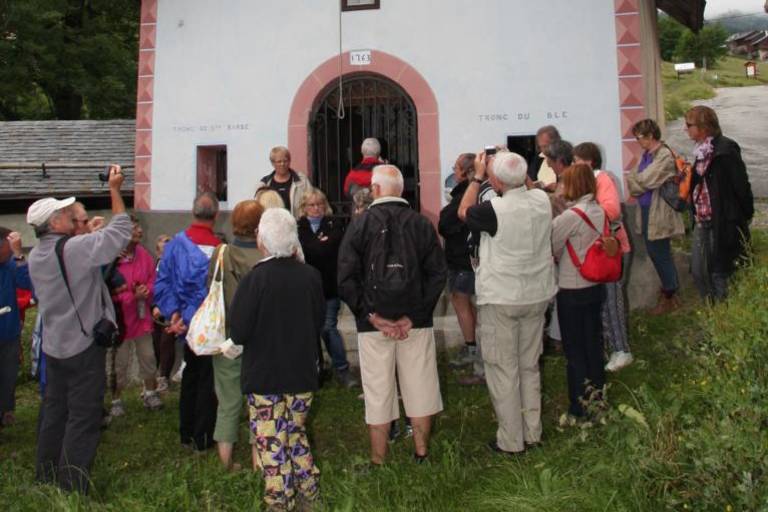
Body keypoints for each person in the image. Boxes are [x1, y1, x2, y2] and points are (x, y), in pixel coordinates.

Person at [30, 166, 132, 494]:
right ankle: (71, 488)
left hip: (54, 345)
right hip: (83, 347)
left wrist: (85, 231)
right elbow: (120, 232)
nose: (72, 218)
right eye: (66, 214)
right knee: (83, 417)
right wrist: (115, 190)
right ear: (56, 223)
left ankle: (44, 475)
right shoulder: (72, 249)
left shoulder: (37, 256)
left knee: (54, 412)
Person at [338, 165, 447, 465]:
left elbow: (346, 277)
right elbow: (437, 274)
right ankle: (421, 454)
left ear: (374, 190)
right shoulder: (422, 224)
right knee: (421, 385)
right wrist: (415, 315)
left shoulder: (359, 226)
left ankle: (378, 460)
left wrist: (370, 315)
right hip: (416, 323)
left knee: (377, 390)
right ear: (402, 190)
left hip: (373, 324)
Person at [458, 152, 557, 454]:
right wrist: (512, 167)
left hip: (502, 296)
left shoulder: (492, 209)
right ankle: (533, 433)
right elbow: (526, 185)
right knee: (529, 366)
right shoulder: (542, 201)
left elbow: (463, 212)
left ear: (496, 180)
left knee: (503, 368)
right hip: (536, 293)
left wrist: (477, 177)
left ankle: (511, 441)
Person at [230, 208, 324, 511]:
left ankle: (279, 500)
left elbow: (240, 330)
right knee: (296, 432)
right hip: (300, 372)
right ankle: (309, 492)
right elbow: (318, 319)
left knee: (271, 440)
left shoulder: (254, 280)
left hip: (264, 375)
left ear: (262, 242)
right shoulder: (310, 277)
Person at [154, 192, 222, 451]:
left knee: (191, 374)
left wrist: (174, 313)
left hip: (184, 322)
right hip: (208, 324)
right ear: (216, 216)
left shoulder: (174, 245)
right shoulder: (218, 249)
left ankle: (186, 433)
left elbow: (163, 283)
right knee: (208, 379)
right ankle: (203, 436)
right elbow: (217, 292)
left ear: (192, 213)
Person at [206, 199, 265, 471]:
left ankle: (225, 462)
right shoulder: (266, 258)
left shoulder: (221, 252)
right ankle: (258, 461)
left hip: (227, 334)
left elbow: (211, 289)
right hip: (259, 338)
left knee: (227, 400)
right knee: (260, 401)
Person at [551, 164, 607, 423]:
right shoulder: (598, 210)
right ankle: (599, 397)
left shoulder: (571, 216)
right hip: (595, 285)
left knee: (574, 350)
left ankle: (580, 405)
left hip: (572, 286)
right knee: (593, 344)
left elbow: (551, 244)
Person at [573, 142, 633, 372]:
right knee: (604, 302)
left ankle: (622, 350)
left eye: (577, 161)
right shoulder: (589, 182)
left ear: (589, 161)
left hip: (612, 251)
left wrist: (584, 212)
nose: (574, 165)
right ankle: (611, 347)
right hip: (599, 252)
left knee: (612, 301)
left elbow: (613, 210)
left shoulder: (602, 180)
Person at [684, 106, 754, 302]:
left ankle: (720, 317)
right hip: (701, 219)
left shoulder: (726, 149)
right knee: (698, 271)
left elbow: (741, 185)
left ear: (703, 127)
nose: (685, 129)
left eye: (689, 125)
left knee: (719, 271)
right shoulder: (699, 151)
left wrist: (745, 215)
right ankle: (711, 307)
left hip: (721, 220)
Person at [297, 188, 358, 388]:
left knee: (328, 327)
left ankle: (342, 369)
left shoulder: (334, 224)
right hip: (306, 288)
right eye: (311, 205)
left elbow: (327, 249)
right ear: (304, 208)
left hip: (329, 286)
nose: (316, 208)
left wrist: (315, 246)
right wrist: (318, 245)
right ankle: (316, 370)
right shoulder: (298, 226)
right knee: (310, 330)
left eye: (320, 204)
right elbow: (309, 249)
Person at [625, 119, 685, 314]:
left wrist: (637, 182)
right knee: (656, 252)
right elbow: (632, 180)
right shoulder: (647, 155)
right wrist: (637, 182)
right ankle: (670, 293)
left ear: (650, 136)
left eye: (639, 138)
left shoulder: (664, 155)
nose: (638, 141)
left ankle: (670, 294)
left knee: (659, 252)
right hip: (646, 209)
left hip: (657, 211)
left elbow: (645, 180)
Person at [109, 215, 162, 417]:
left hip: (142, 319)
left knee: (148, 357)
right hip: (121, 321)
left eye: (139, 227)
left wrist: (148, 290)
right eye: (134, 228)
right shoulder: (112, 259)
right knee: (119, 363)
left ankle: (150, 392)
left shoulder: (143, 254)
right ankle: (115, 399)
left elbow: (153, 279)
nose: (139, 231)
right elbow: (107, 290)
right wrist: (132, 296)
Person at [439, 153, 482, 384]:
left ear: (465, 172)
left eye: (456, 167)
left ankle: (472, 347)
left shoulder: (468, 192)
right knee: (463, 301)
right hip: (460, 256)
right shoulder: (466, 190)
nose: (453, 171)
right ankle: (472, 345)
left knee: (461, 299)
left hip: (464, 258)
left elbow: (448, 222)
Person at [0, 228, 32, 430]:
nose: (10, 250)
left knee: (8, 375)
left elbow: (28, 282)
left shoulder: (11, 265)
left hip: (9, 333)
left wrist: (20, 256)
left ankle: (6, 410)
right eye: (8, 247)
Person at [255, 146, 312, 218]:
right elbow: (258, 208)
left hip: (296, 225)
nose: (282, 164)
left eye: (285, 161)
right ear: (272, 163)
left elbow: (310, 202)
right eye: (279, 161)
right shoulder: (264, 183)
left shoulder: (302, 181)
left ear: (290, 161)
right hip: (272, 226)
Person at [151, 234, 176, 393]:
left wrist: (164, 307)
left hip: (168, 311)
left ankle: (164, 378)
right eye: (163, 244)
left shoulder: (176, 268)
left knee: (166, 343)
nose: (167, 246)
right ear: (158, 251)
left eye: (169, 243)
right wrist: (153, 306)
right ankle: (153, 378)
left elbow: (175, 289)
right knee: (155, 344)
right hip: (153, 312)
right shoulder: (154, 266)